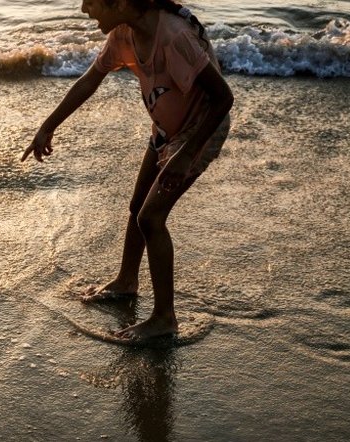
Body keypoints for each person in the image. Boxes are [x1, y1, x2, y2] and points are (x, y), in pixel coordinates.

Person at [21, 0, 233, 340]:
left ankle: (165, 318)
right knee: (137, 208)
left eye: (91, 1)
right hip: (166, 130)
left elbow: (223, 98)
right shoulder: (124, 34)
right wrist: (49, 125)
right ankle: (126, 281)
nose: (84, 9)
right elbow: (89, 81)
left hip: (199, 132)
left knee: (151, 218)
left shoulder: (174, 37)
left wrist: (186, 155)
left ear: (119, 2)